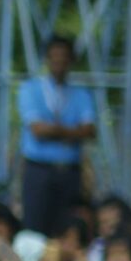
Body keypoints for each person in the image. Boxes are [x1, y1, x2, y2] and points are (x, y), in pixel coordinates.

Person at [19, 35, 98, 234]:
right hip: (39, 170)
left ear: (71, 60)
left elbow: (90, 131)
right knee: (34, 229)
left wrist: (55, 130)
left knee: (67, 229)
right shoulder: (31, 88)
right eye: (54, 56)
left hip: (69, 172)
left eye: (64, 56)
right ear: (47, 59)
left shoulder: (81, 94)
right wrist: (72, 132)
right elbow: (38, 129)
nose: (59, 61)